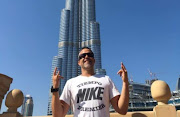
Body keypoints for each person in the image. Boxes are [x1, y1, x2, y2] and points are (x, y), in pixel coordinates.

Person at [51, 47, 129, 117]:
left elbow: (122, 110)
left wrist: (125, 82)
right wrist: (55, 88)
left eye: (90, 55)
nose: (86, 57)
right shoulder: (70, 83)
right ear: (78, 62)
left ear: (94, 60)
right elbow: (58, 115)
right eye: (82, 56)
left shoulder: (106, 79)